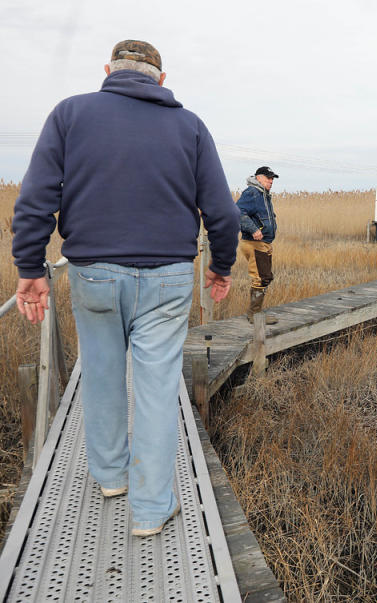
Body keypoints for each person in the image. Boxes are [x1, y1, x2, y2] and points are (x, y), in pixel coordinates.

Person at [11, 40, 239, 537]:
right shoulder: (190, 125)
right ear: (161, 79)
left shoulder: (69, 114)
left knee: (101, 371)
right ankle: (153, 509)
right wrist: (221, 265)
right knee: (157, 388)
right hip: (169, 275)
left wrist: (30, 266)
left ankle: (110, 477)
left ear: (107, 71)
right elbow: (222, 211)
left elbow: (36, 197)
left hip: (93, 272)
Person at [237, 166, 280, 324]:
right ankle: (254, 314)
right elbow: (238, 212)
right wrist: (253, 229)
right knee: (260, 278)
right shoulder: (252, 193)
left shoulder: (264, 195)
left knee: (265, 277)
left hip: (263, 243)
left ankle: (256, 311)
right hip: (254, 243)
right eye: (268, 178)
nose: (271, 181)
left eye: (272, 178)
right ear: (258, 177)